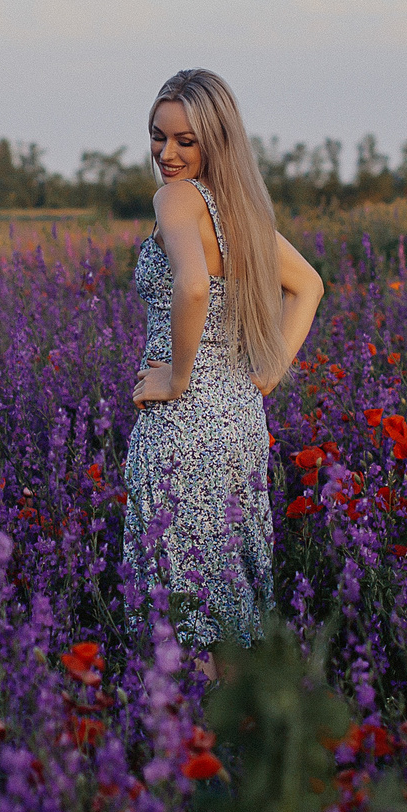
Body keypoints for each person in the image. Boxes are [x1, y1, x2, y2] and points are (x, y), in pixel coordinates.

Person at [125, 69, 325, 651]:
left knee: (183, 611)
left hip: (185, 430)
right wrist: (267, 375)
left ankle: (191, 712)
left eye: (185, 141)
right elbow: (309, 286)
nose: (166, 153)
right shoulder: (237, 212)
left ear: (215, 141)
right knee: (230, 606)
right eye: (158, 136)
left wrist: (176, 377)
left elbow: (192, 287)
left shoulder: (176, 199)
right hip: (239, 422)